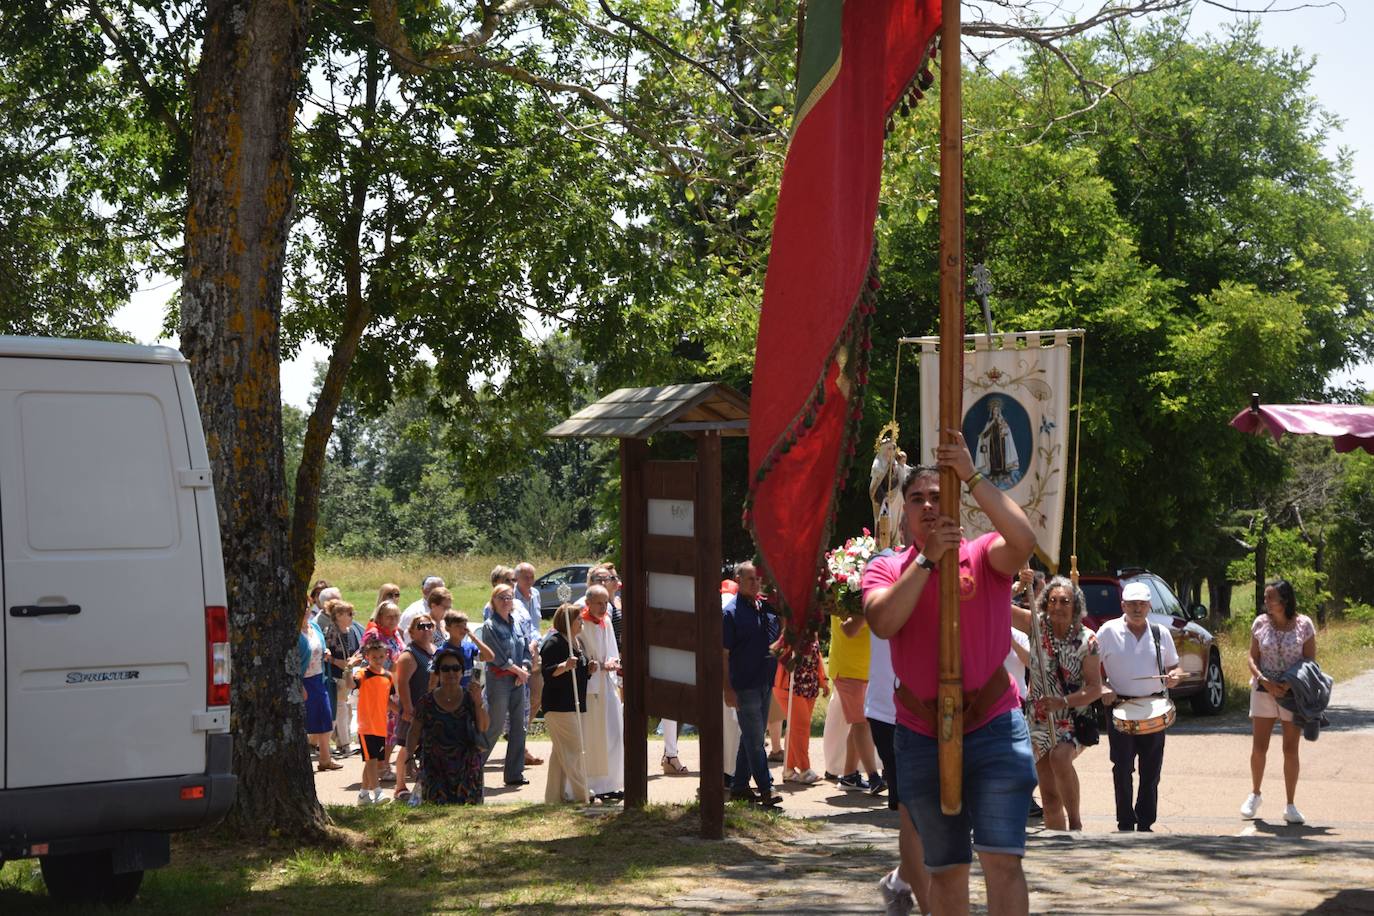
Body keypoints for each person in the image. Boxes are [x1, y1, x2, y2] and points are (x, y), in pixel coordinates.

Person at [864, 430, 1038, 916]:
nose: (926, 505)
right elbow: (882, 621)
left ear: (955, 502)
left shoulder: (982, 554)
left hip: (994, 725)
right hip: (921, 733)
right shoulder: (888, 567)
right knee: (946, 869)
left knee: (1002, 860)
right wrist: (926, 559)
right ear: (904, 511)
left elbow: (1024, 542)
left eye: (937, 496)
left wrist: (971, 473)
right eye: (916, 498)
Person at [1097, 580, 1184, 833]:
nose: (1137, 608)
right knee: (1122, 767)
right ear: (1123, 605)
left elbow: (1174, 666)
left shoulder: (1160, 633)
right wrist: (1103, 686)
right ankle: (1125, 822)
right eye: (1132, 604)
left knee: (1151, 769)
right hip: (1120, 705)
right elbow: (1090, 667)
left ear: (1149, 606)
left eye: (1142, 604)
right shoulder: (1107, 631)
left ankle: (1146, 822)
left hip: (1153, 708)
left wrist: (1175, 676)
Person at [1019, 577, 1103, 832]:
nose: (1057, 606)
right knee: (1048, 794)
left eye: (1065, 601)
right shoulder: (1035, 625)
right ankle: (1058, 842)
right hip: (1039, 718)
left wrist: (1062, 701)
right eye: (1052, 600)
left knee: (1060, 757)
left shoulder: (1088, 640)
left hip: (1072, 717)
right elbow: (999, 607)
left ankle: (1075, 823)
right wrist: (1017, 587)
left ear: (1076, 605)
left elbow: (1094, 688)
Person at [867, 622, 931, 916]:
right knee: (915, 817)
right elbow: (853, 626)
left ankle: (899, 881)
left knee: (933, 819)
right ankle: (930, 905)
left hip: (933, 711)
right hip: (887, 713)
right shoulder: (878, 583)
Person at [1241, 578, 1317, 824]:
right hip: (1263, 690)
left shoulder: (1304, 625)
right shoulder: (1260, 623)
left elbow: (1310, 661)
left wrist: (1288, 684)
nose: (1266, 602)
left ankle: (1291, 805)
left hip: (1292, 693)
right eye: (1265, 597)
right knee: (1259, 747)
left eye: (1270, 597)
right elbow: (1252, 657)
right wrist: (1264, 681)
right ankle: (1255, 794)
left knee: (1290, 749)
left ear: (1284, 600)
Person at [722, 562, 783, 808]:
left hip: (765, 682)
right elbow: (722, 654)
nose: (756, 583)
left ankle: (738, 787)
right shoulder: (730, 613)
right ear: (737, 580)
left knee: (751, 736)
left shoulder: (765, 607)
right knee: (757, 740)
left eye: (758, 579)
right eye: (750, 579)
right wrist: (727, 688)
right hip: (744, 685)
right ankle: (766, 788)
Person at [406, 646, 488, 805]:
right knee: (435, 819)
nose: (451, 673)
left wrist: (478, 703)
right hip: (434, 770)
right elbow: (414, 731)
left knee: (468, 820)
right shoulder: (426, 701)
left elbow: (483, 727)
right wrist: (409, 758)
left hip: (468, 771)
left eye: (456, 668)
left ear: (462, 672)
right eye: (445, 669)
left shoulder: (471, 698)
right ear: (438, 673)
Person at [540, 603, 595, 804]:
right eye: (578, 619)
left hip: (574, 702)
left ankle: (554, 797)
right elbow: (547, 671)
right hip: (558, 705)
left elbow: (579, 673)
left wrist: (588, 669)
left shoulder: (577, 643)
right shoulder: (554, 643)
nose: (582, 622)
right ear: (568, 622)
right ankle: (583, 795)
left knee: (560, 753)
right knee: (574, 750)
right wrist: (564, 666)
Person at [481, 582, 533, 786]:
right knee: (495, 724)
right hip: (499, 680)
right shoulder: (490, 626)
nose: (505, 601)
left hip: (519, 680)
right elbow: (497, 656)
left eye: (509, 597)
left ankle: (514, 773)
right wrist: (517, 670)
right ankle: (474, 767)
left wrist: (525, 669)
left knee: (519, 726)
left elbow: (526, 649)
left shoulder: (517, 623)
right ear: (493, 601)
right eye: (501, 598)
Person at [579, 583, 626, 800]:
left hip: (608, 685)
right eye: (598, 603)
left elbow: (613, 651)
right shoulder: (581, 625)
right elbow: (582, 657)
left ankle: (612, 784)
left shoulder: (606, 621)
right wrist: (598, 664)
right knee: (595, 738)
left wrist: (613, 663)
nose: (602, 607)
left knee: (615, 734)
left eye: (605, 602)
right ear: (587, 603)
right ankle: (595, 786)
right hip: (592, 688)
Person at [830, 610, 884, 794]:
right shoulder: (846, 594)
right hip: (849, 671)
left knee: (859, 723)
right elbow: (850, 628)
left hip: (863, 670)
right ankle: (874, 776)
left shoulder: (856, 594)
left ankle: (849, 776)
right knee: (862, 722)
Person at [392, 613, 438, 804]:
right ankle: (400, 786)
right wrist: (408, 708)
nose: (426, 629)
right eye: (421, 626)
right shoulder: (409, 655)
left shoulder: (435, 650)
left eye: (429, 626)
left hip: (431, 709)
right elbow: (401, 683)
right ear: (411, 631)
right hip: (413, 711)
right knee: (405, 747)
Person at [775, 630, 827, 784]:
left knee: (796, 729)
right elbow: (777, 652)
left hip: (809, 688)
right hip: (790, 688)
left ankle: (789, 769)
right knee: (801, 728)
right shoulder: (790, 632)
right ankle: (805, 770)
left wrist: (823, 681)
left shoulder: (813, 632)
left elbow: (816, 658)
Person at [352, 635, 394, 805]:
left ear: (386, 656)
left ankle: (363, 795)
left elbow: (389, 701)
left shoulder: (388, 677)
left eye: (381, 657)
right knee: (371, 761)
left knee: (373, 761)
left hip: (380, 725)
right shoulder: (363, 674)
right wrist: (349, 669)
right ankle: (377, 792)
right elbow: (349, 685)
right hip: (366, 725)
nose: (378, 660)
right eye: (374, 657)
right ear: (367, 657)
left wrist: (403, 712)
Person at [299, 605, 340, 771]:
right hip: (304, 680)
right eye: (303, 608)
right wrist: (299, 685)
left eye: (308, 607)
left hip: (319, 678)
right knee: (305, 722)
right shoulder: (293, 633)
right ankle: (302, 761)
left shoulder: (314, 626)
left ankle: (325, 758)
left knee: (325, 717)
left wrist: (326, 651)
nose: (306, 610)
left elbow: (320, 646)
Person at [322, 600, 364, 757]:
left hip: (348, 674)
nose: (352, 617)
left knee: (347, 709)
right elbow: (327, 655)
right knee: (340, 708)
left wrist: (353, 662)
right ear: (338, 615)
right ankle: (343, 743)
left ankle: (344, 742)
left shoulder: (351, 630)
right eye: (349, 614)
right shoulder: (331, 631)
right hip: (336, 676)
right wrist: (337, 662)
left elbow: (355, 651)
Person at [513, 562, 545, 721]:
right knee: (517, 696)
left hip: (535, 649)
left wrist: (535, 642)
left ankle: (522, 731)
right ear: (516, 578)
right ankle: (514, 732)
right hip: (517, 652)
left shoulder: (536, 594)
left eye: (532, 576)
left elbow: (535, 624)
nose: (530, 580)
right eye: (526, 577)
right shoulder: (510, 597)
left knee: (537, 694)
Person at [439, 610, 493, 689]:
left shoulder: (469, 648)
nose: (462, 629)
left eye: (464, 625)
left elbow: (490, 657)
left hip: (466, 696)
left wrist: (473, 638)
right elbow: (434, 679)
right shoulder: (442, 651)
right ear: (447, 628)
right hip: (448, 695)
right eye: (458, 626)